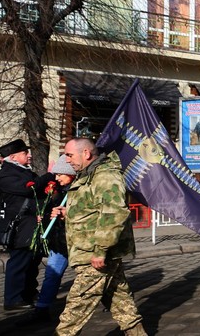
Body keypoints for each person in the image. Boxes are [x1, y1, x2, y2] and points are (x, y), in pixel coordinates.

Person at [54, 138, 146, 336]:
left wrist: (100, 250)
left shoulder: (105, 176)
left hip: (95, 255)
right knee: (120, 302)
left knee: (77, 305)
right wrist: (68, 212)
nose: (67, 160)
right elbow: (93, 209)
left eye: (69, 155)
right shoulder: (89, 175)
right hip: (93, 250)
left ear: (86, 153)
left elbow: (113, 213)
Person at [0, 138, 51, 311]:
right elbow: (30, 189)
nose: (28, 156)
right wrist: (50, 175)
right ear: (13, 157)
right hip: (19, 226)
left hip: (32, 224)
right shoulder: (6, 175)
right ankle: (12, 299)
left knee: (32, 261)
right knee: (19, 261)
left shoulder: (24, 171)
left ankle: (29, 293)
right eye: (24, 153)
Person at [19, 155, 72, 325]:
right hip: (60, 241)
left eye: (59, 174)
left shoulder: (83, 188)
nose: (56, 178)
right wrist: (46, 217)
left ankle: (112, 301)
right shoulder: (57, 190)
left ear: (70, 172)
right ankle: (41, 309)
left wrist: (67, 213)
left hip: (80, 241)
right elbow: (50, 212)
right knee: (51, 274)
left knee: (94, 276)